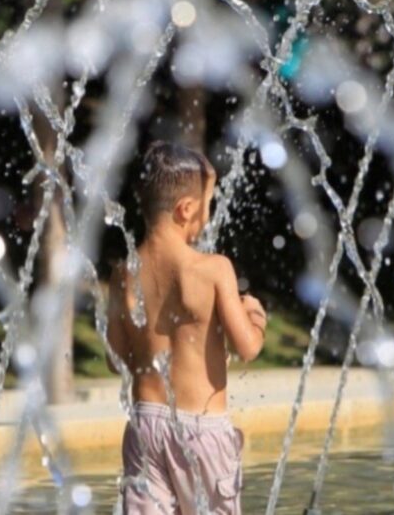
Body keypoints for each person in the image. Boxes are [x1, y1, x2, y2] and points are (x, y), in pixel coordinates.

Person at [105, 141, 267, 514]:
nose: (208, 219)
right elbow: (247, 348)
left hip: (145, 425)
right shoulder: (213, 269)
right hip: (203, 432)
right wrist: (254, 315)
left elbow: (116, 360)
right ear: (186, 209)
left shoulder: (123, 273)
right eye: (206, 207)